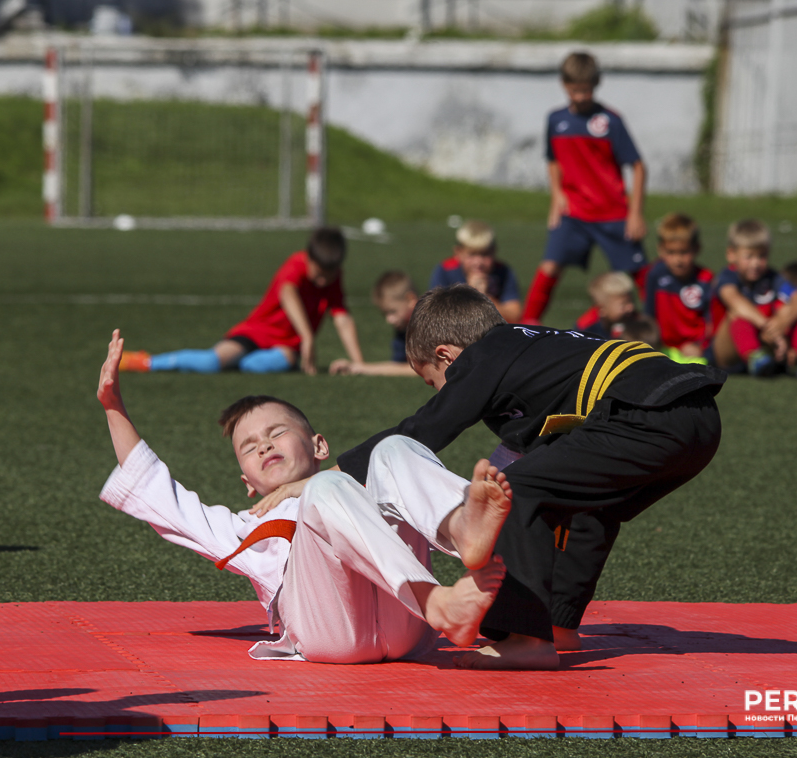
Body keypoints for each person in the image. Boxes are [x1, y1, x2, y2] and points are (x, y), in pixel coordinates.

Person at [337, 285, 726, 670]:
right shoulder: (531, 345)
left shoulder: (485, 353)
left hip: (645, 412)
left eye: (433, 381)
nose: (440, 391)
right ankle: (559, 623)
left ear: (447, 356)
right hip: (697, 416)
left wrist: (341, 472)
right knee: (591, 505)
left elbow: (426, 427)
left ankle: (529, 638)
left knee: (515, 492)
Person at [96, 329, 510, 664]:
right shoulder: (248, 525)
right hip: (330, 634)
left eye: (277, 433)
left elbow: (371, 474)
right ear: (246, 481)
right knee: (326, 488)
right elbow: (161, 495)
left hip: (404, 630)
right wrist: (113, 405)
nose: (264, 446)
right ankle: (437, 601)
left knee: (394, 448)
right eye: (249, 446)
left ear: (319, 447)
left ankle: (463, 531)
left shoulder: (362, 484)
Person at [120, 226, 363, 376]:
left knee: (267, 364)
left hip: (286, 347)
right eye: (318, 275)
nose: (323, 282)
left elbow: (342, 317)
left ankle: (240, 363)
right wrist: (308, 337)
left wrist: (359, 363)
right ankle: (147, 361)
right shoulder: (296, 264)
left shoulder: (333, 277)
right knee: (212, 362)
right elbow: (287, 293)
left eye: (328, 277)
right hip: (256, 332)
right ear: (308, 257)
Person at [522, 52, 648, 326]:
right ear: (564, 85)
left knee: (638, 275)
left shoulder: (610, 121)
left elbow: (638, 167)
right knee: (550, 266)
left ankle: (655, 329)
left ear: (597, 84)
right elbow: (553, 160)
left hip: (613, 212)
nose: (580, 96)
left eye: (586, 90)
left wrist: (635, 213)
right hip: (575, 213)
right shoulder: (556, 120)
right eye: (575, 90)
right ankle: (527, 324)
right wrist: (557, 196)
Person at [710, 220, 797, 378]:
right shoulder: (727, 276)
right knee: (738, 314)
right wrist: (768, 327)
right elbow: (734, 300)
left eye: (762, 256)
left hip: (767, 341)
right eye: (749, 256)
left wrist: (782, 322)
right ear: (731, 254)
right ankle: (755, 356)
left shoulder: (772, 278)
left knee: (792, 311)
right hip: (727, 353)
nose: (755, 263)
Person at [643, 213, 713, 362]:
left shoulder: (705, 279)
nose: (678, 260)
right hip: (662, 348)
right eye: (671, 252)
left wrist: (700, 346)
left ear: (696, 249)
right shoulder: (654, 274)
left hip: (693, 350)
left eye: (684, 252)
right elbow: (649, 315)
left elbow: (711, 322)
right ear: (661, 249)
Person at [429, 221, 522, 323]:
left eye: (485, 254)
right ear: (458, 252)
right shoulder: (446, 270)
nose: (478, 262)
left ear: (494, 251)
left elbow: (515, 315)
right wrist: (470, 294)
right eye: (472, 255)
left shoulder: (503, 271)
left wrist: (485, 297)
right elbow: (434, 315)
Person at [330, 271, 419, 377]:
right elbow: (399, 365)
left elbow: (418, 370)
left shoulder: (427, 324)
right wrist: (354, 367)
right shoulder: (403, 329)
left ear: (410, 299)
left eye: (392, 311)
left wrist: (366, 369)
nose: (389, 319)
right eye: (385, 314)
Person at [574, 271, 637, 339]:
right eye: (623, 304)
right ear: (602, 309)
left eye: (632, 301)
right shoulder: (586, 328)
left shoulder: (636, 319)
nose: (631, 307)